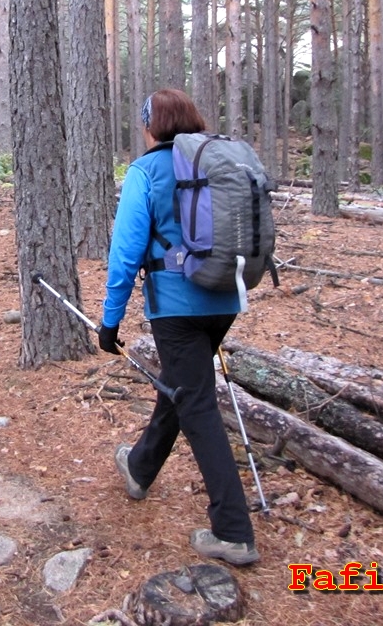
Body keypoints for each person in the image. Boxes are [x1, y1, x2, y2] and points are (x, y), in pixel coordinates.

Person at [98, 88, 259, 566]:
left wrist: (110, 322)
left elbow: (125, 254)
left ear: (153, 124)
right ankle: (140, 467)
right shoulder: (216, 160)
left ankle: (233, 533)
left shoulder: (146, 170)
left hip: (176, 307)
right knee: (183, 388)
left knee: (198, 408)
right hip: (225, 298)